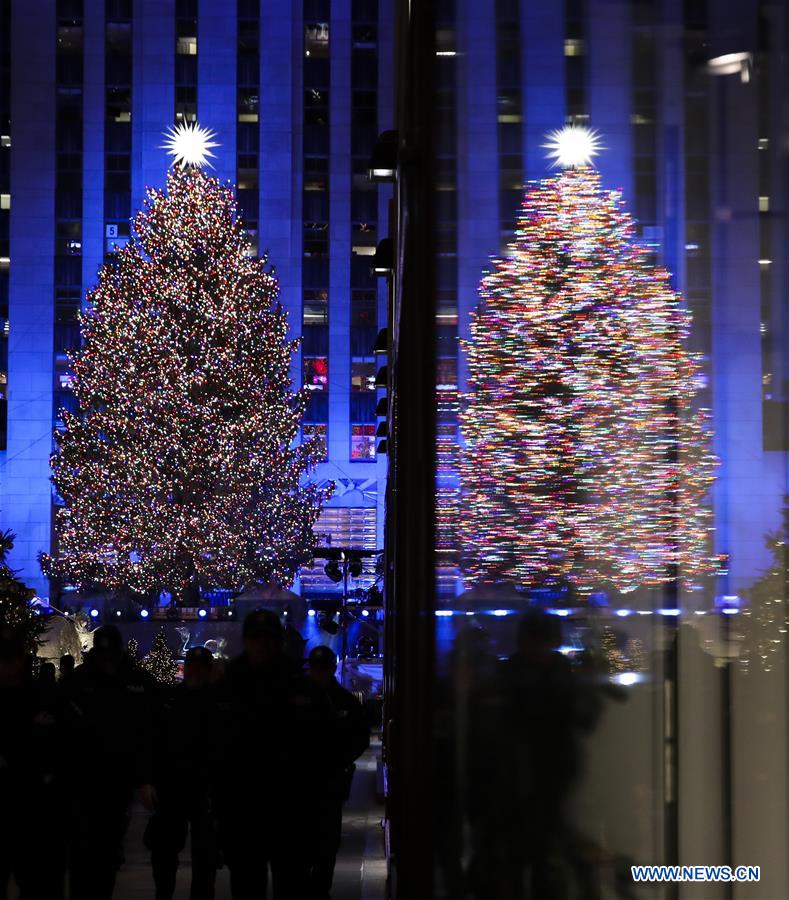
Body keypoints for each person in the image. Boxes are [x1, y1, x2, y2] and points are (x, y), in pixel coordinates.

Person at [216, 610, 335, 900]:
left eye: (267, 639)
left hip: (288, 805)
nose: (262, 646)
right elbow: (213, 746)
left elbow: (323, 744)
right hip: (245, 805)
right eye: (257, 639)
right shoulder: (230, 685)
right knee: (248, 883)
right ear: (246, 641)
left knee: (289, 883)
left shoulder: (297, 684)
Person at [63, 624, 158, 900]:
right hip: (87, 779)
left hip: (112, 780)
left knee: (102, 854)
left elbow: (147, 732)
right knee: (87, 854)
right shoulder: (83, 682)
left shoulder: (127, 682)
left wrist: (144, 776)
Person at [143, 646, 220, 900]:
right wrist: (149, 780)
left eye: (200, 668)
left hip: (205, 789)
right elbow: (153, 741)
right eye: (192, 666)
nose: (195, 672)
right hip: (171, 785)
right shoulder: (169, 699)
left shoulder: (219, 703)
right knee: (164, 854)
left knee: (205, 858)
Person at [0, 627, 67, 900]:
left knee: (38, 883)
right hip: (23, 802)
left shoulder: (41, 696)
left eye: (10, 660)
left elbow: (61, 744)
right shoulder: (41, 696)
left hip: (33, 806)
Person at [305, 646, 370, 900]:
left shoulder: (344, 701)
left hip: (329, 781)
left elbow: (360, 737)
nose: (319, 674)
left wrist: (341, 761)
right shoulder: (337, 700)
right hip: (306, 780)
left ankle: (320, 889)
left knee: (326, 842)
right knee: (310, 840)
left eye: (322, 669)